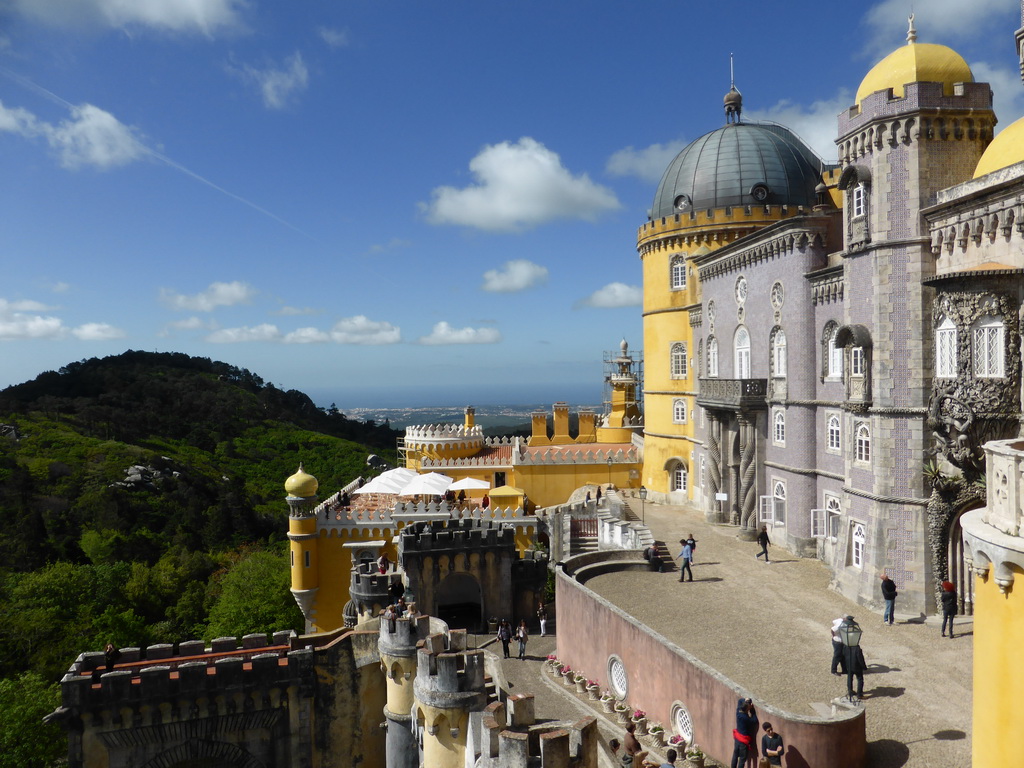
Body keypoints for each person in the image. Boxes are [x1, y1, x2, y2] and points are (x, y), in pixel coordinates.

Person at [730, 697, 759, 768]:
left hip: (737, 738)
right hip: (743, 741)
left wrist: (745, 700)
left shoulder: (738, 712)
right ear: (747, 709)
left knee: (735, 756)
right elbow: (754, 720)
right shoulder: (746, 718)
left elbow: (740, 701)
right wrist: (752, 709)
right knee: (742, 760)